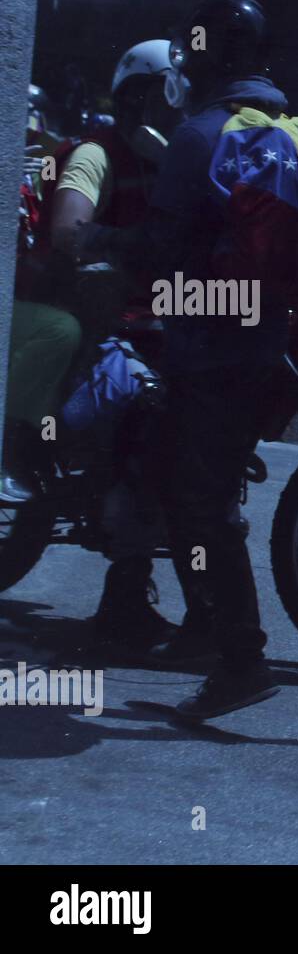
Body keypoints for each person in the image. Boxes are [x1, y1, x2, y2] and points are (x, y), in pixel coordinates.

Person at [119, 0, 286, 717]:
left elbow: (161, 247)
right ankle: (199, 628)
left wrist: (110, 255)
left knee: (202, 501)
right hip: (267, 336)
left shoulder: (199, 136)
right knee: (189, 479)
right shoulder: (289, 129)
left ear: (211, 59)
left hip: (209, 344)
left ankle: (241, 659)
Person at [7, 39, 183, 646]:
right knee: (137, 406)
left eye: (177, 99)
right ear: (135, 98)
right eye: (162, 98)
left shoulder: (173, 168)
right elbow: (66, 229)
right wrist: (125, 246)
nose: (172, 112)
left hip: (138, 317)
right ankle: (125, 590)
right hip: (72, 316)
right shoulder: (95, 154)